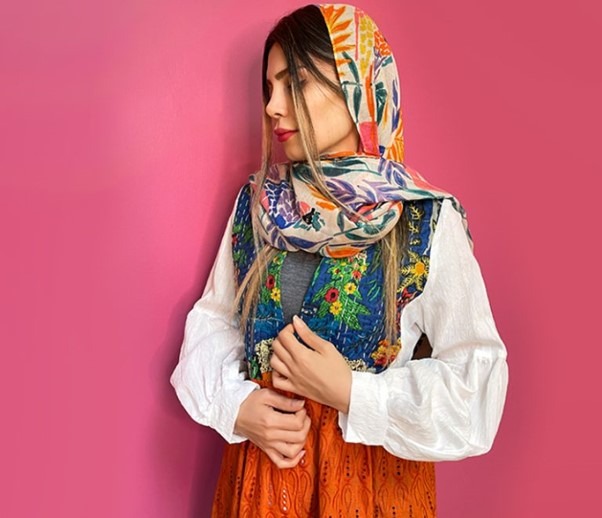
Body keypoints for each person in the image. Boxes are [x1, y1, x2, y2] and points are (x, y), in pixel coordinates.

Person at [170, 3, 508, 516]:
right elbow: (214, 320)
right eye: (268, 88)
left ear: (356, 83)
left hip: (372, 493)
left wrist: (353, 393)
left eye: (295, 83)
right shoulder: (259, 205)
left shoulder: (423, 220)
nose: (273, 107)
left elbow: (476, 384)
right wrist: (236, 408)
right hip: (260, 490)